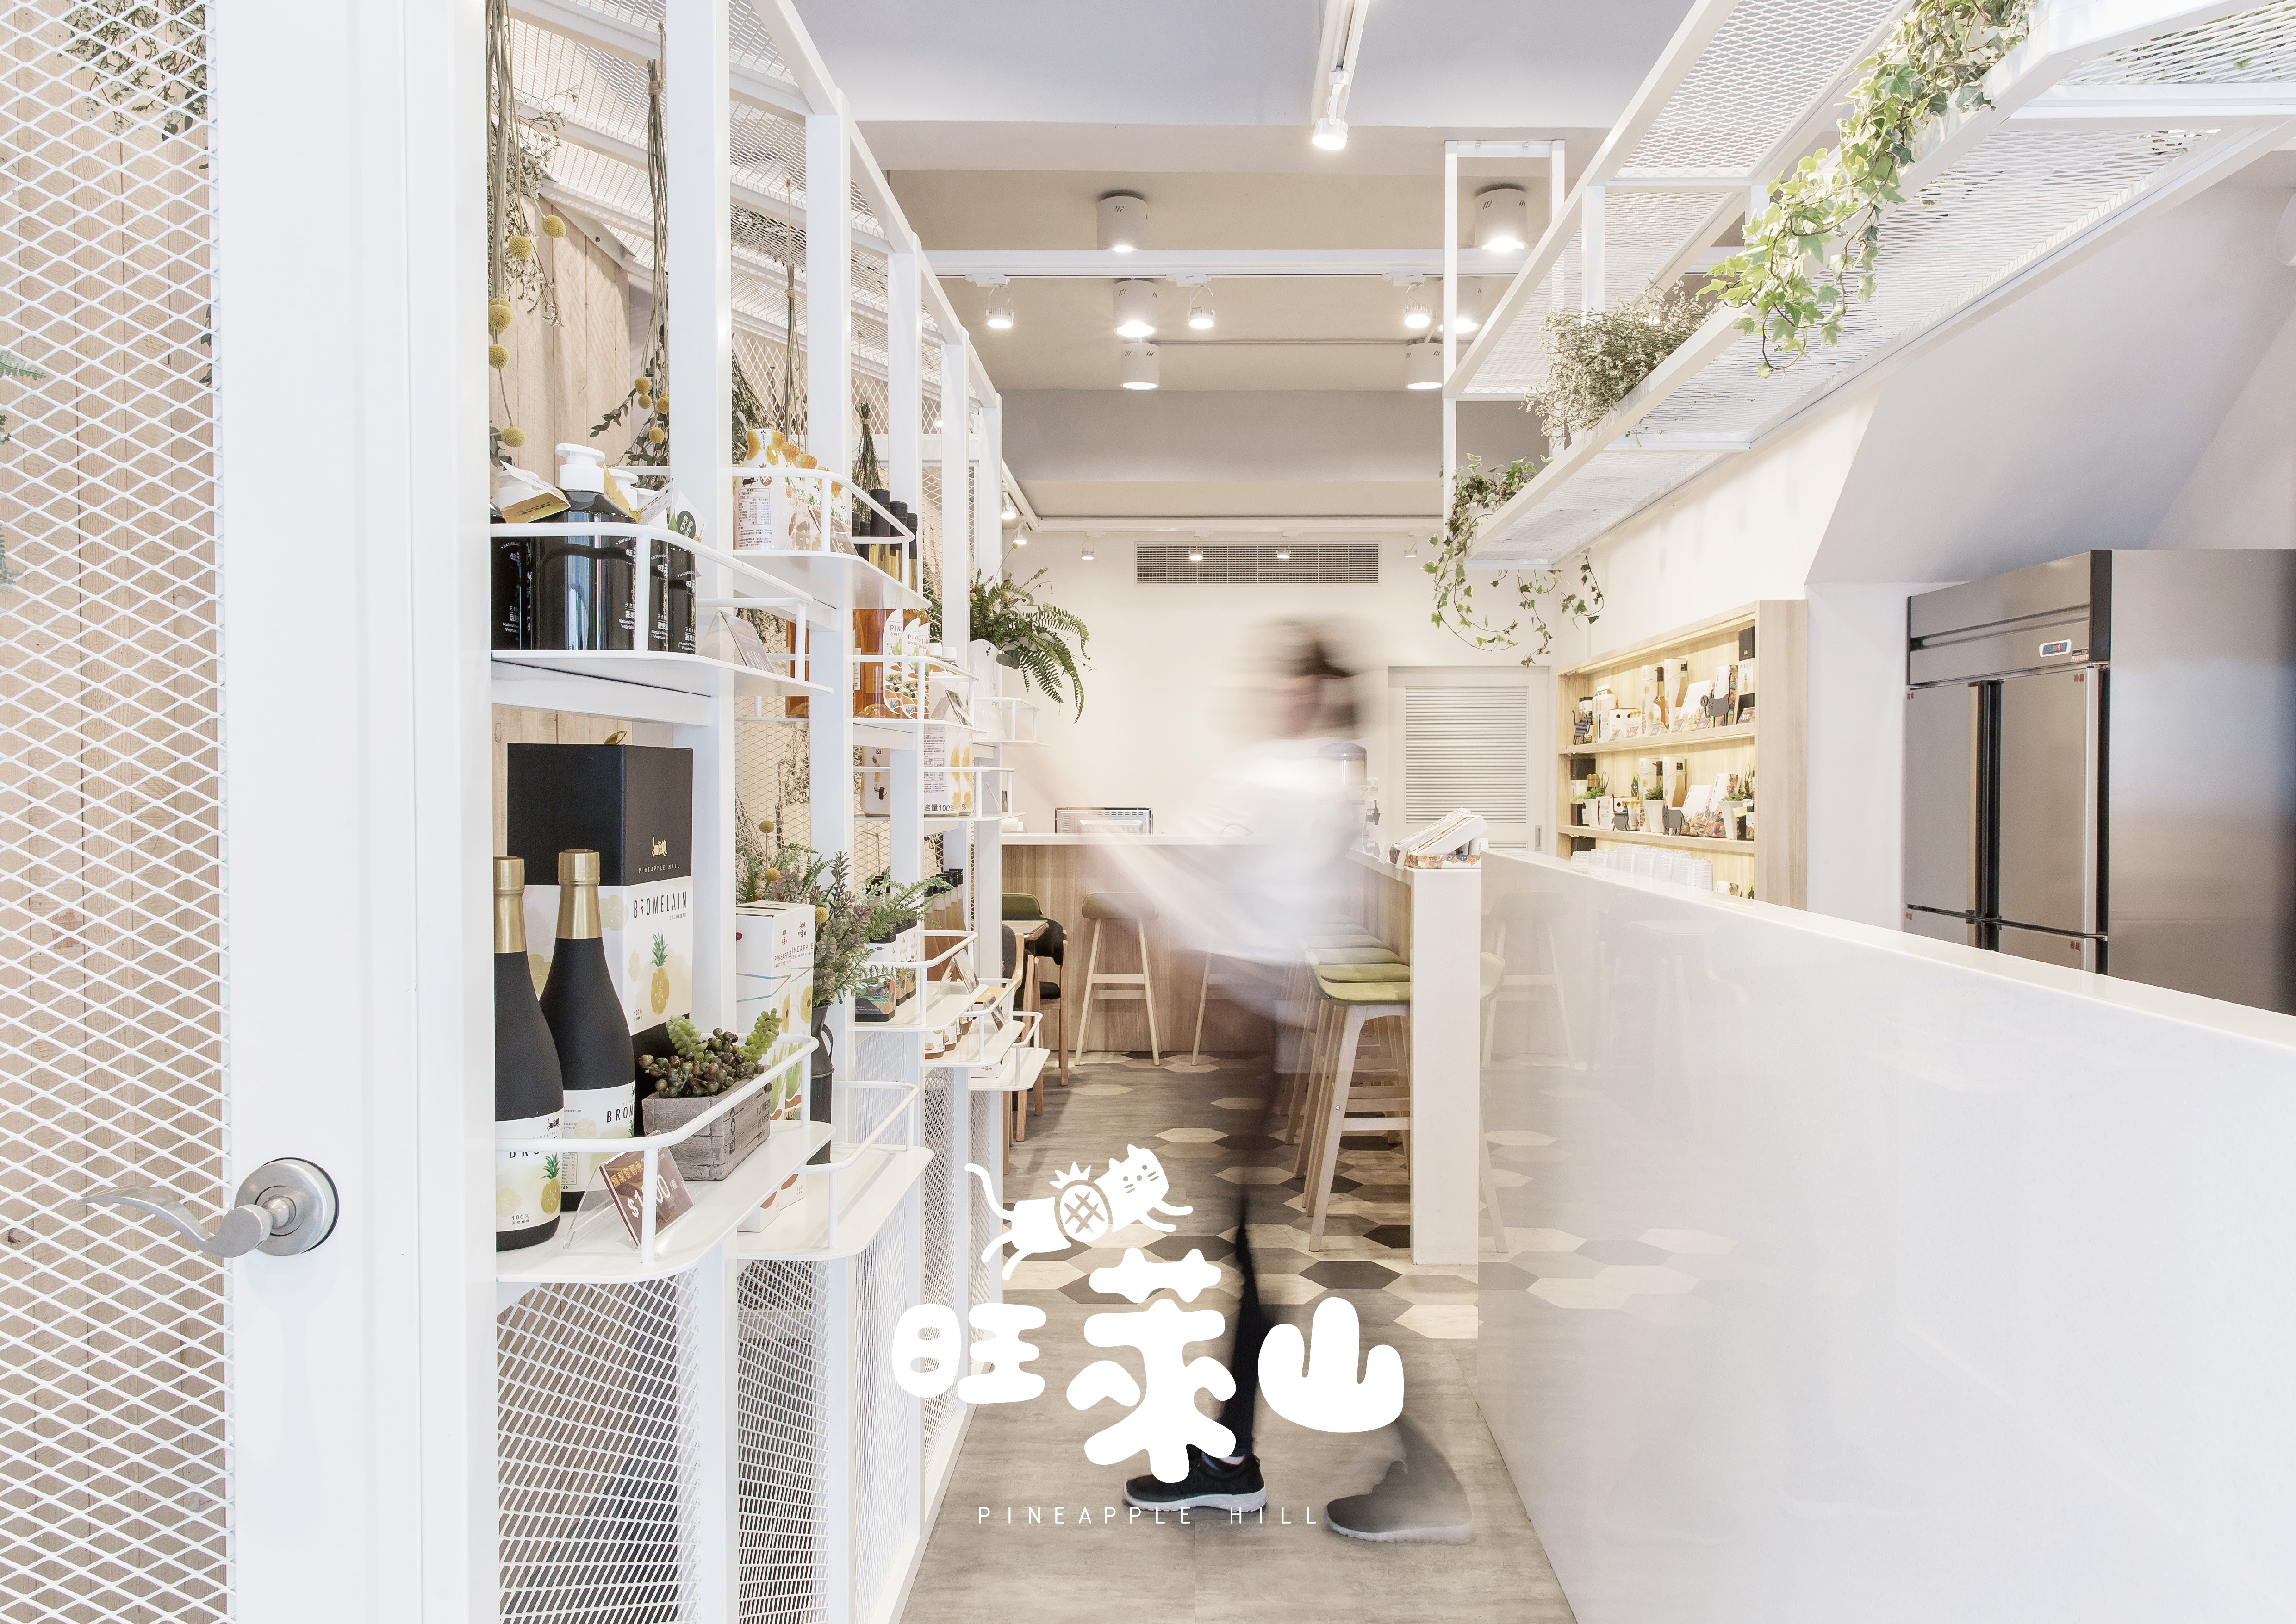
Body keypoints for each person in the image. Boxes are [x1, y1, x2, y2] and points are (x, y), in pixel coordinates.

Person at [1106, 623, 1474, 1543]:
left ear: (1308, 692)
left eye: (1282, 679)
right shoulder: (1322, 784)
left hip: (1258, 1029)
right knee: (1262, 1254)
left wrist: (1118, 853)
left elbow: (1200, 888)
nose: (1263, 692)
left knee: (1281, 1261)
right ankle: (1234, 1456)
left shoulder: (1278, 779)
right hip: (1269, 1026)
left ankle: (1382, 1468)